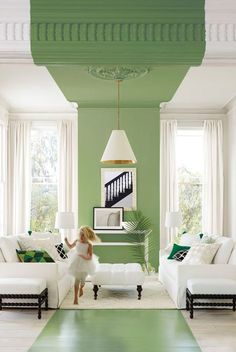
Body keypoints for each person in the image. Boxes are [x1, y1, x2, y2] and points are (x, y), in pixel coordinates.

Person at [65, 226, 100, 304]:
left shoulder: (89, 245)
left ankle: (81, 287)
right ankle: (75, 298)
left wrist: (83, 256)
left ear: (87, 236)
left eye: (83, 235)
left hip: (85, 263)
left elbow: (90, 257)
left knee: (83, 280)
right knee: (77, 279)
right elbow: (70, 246)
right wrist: (66, 241)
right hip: (76, 262)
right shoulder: (77, 241)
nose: (81, 236)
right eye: (80, 234)